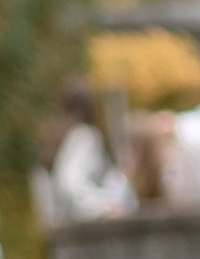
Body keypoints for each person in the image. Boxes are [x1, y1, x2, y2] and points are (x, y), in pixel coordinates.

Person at [32, 84, 134, 231]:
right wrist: (102, 208)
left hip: (58, 232)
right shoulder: (84, 136)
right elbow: (70, 185)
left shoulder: (52, 137)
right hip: (83, 230)